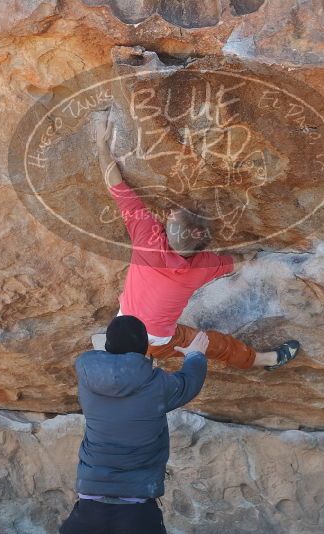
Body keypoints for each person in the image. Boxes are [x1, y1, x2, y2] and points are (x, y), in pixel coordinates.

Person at [94, 110, 300, 371]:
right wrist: (253, 254)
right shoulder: (203, 265)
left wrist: (101, 143)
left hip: (124, 327)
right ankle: (266, 360)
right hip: (161, 340)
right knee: (214, 345)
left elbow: (116, 185)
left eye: (172, 216)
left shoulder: (146, 237)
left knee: (140, 326)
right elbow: (236, 263)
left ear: (166, 230)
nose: (169, 213)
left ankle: (136, 358)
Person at [60, 315, 209, 534]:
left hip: (89, 507)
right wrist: (195, 355)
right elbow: (189, 382)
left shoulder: (87, 378)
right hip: (137, 510)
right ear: (143, 349)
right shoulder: (157, 384)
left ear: (107, 345)